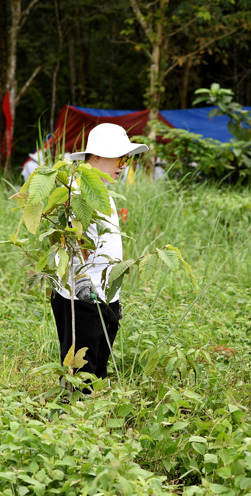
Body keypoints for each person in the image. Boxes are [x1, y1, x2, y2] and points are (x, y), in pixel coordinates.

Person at [54, 123, 148, 386]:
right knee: (80, 369)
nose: (124, 165)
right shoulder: (76, 191)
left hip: (105, 295)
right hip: (80, 297)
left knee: (99, 362)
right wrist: (82, 279)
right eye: (119, 157)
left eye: (127, 158)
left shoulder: (101, 189)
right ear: (96, 156)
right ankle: (73, 415)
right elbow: (69, 240)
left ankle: (93, 415)